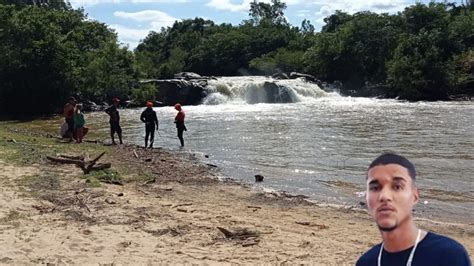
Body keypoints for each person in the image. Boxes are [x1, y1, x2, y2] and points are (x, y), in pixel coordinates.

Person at [357, 153, 471, 266]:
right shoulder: (366, 262)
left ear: (415, 196)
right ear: (366, 197)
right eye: (375, 188)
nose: (384, 196)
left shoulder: (448, 256)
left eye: (397, 187)